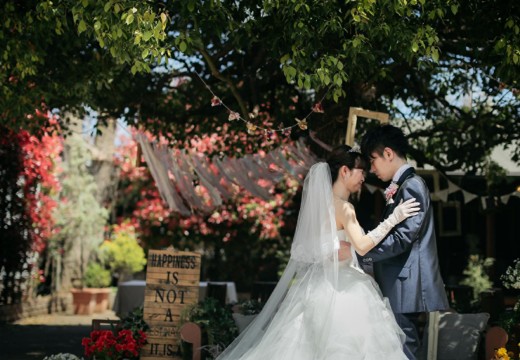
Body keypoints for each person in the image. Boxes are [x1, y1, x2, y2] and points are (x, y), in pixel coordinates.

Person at [216, 145, 420, 360]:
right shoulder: (344, 208)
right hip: (343, 289)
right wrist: (394, 219)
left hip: (315, 288)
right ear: (344, 171)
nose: (364, 178)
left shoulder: (319, 207)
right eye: (361, 172)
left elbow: (309, 249)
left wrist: (334, 250)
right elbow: (361, 245)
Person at [359, 124, 450, 359]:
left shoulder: (412, 186)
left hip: (404, 283)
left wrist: (364, 252)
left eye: (373, 160)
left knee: (405, 349)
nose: (372, 169)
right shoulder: (402, 186)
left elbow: (402, 238)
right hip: (399, 281)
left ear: (388, 153)